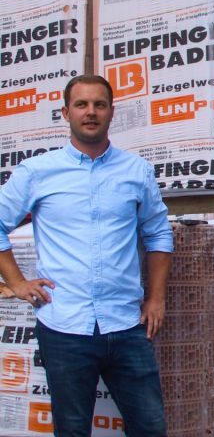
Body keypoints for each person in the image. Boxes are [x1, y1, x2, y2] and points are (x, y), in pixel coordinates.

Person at [0, 75, 173, 437]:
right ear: (66, 112)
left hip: (127, 325)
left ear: (112, 112)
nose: (90, 112)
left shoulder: (136, 171)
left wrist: (156, 299)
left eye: (99, 104)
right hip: (65, 327)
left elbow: (157, 234)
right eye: (81, 105)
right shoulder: (37, 172)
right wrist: (15, 282)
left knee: (151, 428)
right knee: (73, 430)